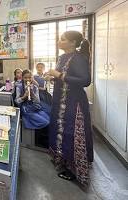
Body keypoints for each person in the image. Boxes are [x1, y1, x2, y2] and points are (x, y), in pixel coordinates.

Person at [47, 31, 93, 186]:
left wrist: (59, 76)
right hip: (60, 101)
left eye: (63, 39)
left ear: (72, 43)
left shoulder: (79, 58)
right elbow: (65, 76)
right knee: (60, 130)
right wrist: (54, 78)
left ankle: (74, 170)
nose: (59, 41)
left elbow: (85, 80)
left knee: (72, 132)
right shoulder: (62, 57)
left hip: (73, 102)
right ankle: (63, 160)